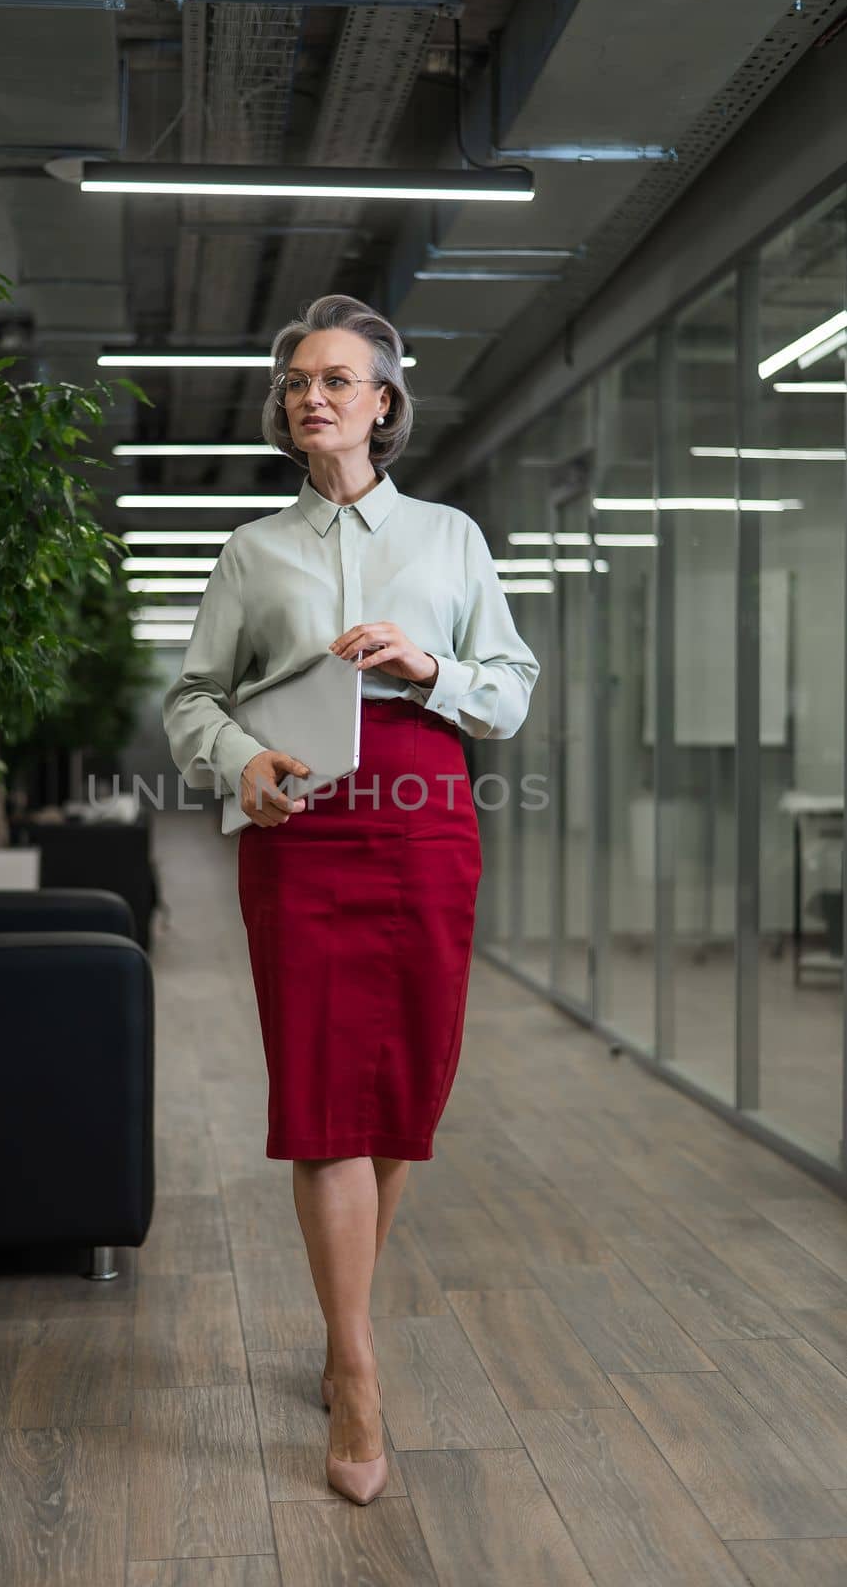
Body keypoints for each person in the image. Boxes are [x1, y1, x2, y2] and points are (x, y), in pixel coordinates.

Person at [161, 293, 540, 1505]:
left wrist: (432, 665)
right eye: (295, 386)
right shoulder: (250, 551)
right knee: (325, 1096)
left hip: (425, 809)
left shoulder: (450, 538)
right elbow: (191, 703)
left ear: (384, 401)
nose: (309, 397)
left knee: (406, 1090)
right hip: (302, 821)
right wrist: (242, 764)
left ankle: (344, 1324)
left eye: (335, 380)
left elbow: (513, 687)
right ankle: (357, 1363)